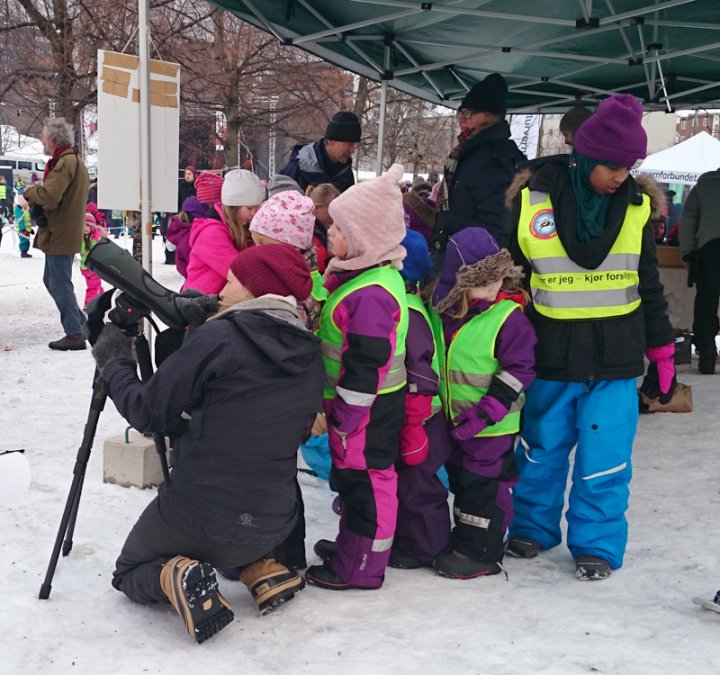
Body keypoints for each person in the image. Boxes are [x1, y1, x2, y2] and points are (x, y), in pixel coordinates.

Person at [91, 243, 324, 643]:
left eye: (232, 280)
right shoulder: (310, 351)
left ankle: (174, 576)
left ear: (254, 290)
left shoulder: (221, 338)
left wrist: (115, 363)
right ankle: (261, 570)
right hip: (272, 520)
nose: (223, 287)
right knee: (236, 522)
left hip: (199, 514)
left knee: (129, 571)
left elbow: (151, 412)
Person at [505, 94, 675, 581]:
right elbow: (510, 276)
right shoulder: (530, 201)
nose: (620, 176)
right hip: (550, 353)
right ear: (585, 157)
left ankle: (596, 544)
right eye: (611, 166)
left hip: (615, 358)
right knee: (540, 449)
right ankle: (531, 527)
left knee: (605, 459)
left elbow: (647, 283)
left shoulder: (638, 207)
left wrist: (661, 349)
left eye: (628, 167)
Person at [305, 163, 409, 590]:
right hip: (358, 406)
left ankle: (363, 565)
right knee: (352, 480)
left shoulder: (372, 295)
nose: (330, 233)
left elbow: (365, 365)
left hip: (365, 408)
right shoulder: (361, 277)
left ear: (366, 240)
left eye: (341, 230)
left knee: (366, 483)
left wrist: (347, 416)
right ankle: (354, 545)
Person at [428, 228, 536, 578]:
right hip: (457, 423)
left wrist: (485, 414)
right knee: (462, 482)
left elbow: (518, 372)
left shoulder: (508, 318)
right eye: (482, 281)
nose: (492, 288)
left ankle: (483, 552)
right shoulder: (448, 314)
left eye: (497, 279)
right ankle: (467, 540)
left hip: (492, 424)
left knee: (484, 486)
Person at [392, 229, 446, 569]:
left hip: (423, 416)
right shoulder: (412, 303)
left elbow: (422, 371)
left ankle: (428, 546)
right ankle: (408, 540)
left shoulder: (408, 312)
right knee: (409, 482)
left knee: (419, 485)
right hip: (419, 414)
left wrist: (414, 420)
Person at [434, 73, 525, 253]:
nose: (461, 119)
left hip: (472, 261)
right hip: (460, 251)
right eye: (460, 112)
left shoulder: (492, 159)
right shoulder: (470, 152)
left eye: (468, 113)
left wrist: (447, 223)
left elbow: (496, 225)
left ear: (491, 116)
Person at [23, 117, 90, 351]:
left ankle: (75, 333)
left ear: (52, 140)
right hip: (62, 230)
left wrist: (31, 192)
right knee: (53, 280)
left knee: (59, 283)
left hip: (61, 231)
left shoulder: (64, 163)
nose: (42, 140)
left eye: (43, 136)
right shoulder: (72, 161)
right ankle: (82, 325)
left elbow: (50, 196)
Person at [184, 169, 264, 294]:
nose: (254, 213)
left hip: (222, 303)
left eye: (257, 208)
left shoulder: (243, 229)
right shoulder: (210, 234)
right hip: (201, 305)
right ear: (234, 206)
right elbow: (238, 270)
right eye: (250, 208)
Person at [678, 167, 720, 373]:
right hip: (709, 249)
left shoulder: (705, 184)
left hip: (709, 250)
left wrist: (687, 252)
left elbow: (688, 220)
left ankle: (706, 353)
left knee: (706, 301)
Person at [278, 111, 361, 193]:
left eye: (354, 144)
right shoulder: (298, 167)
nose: (353, 150)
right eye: (349, 144)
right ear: (330, 141)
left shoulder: (346, 173)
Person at [306, 183, 340, 273]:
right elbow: (320, 264)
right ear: (317, 208)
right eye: (332, 210)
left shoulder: (322, 230)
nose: (334, 215)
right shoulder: (309, 233)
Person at [80, 212, 107, 309]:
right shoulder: (80, 238)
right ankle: (104, 300)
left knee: (93, 287)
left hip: (95, 268)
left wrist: (100, 232)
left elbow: (103, 243)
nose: (85, 228)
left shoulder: (95, 238)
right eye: (82, 225)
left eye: (87, 225)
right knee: (95, 287)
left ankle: (89, 303)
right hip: (84, 268)